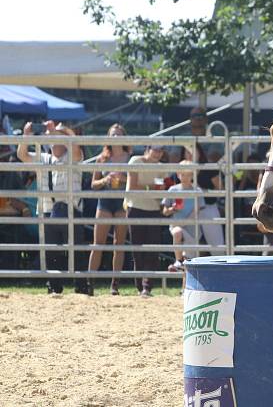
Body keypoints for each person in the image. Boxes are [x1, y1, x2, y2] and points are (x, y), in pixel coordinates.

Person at [17, 121, 88, 294]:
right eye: (52, 136)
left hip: (71, 211)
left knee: (76, 250)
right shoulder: (43, 158)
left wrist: (64, 131)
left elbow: (76, 147)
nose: (54, 138)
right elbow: (22, 155)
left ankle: (81, 285)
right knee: (51, 251)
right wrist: (26, 135)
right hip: (48, 211)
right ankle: (54, 285)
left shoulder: (74, 156)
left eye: (58, 136)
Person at [87, 123, 131, 295]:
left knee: (118, 244)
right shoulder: (102, 159)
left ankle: (114, 284)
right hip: (104, 202)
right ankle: (89, 282)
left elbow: (135, 181)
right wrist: (105, 180)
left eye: (119, 134)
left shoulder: (130, 157)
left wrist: (123, 178)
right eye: (113, 135)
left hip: (122, 202)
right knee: (98, 243)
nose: (116, 138)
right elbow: (93, 184)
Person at [126, 145, 168, 297]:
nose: (158, 153)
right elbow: (132, 187)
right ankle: (140, 286)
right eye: (156, 149)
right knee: (138, 251)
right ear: (147, 149)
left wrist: (160, 191)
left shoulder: (161, 167)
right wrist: (153, 188)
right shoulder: (135, 161)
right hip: (136, 208)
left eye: (161, 150)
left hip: (154, 210)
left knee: (152, 250)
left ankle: (146, 286)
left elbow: (161, 190)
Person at [162, 160, 206, 271]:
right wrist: (173, 208)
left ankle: (184, 287)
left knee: (189, 261)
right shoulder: (173, 189)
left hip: (192, 228)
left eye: (188, 174)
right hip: (177, 226)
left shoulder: (197, 190)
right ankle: (178, 261)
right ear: (178, 174)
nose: (185, 177)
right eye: (182, 174)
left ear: (193, 175)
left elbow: (196, 212)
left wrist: (184, 223)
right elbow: (165, 211)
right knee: (177, 232)